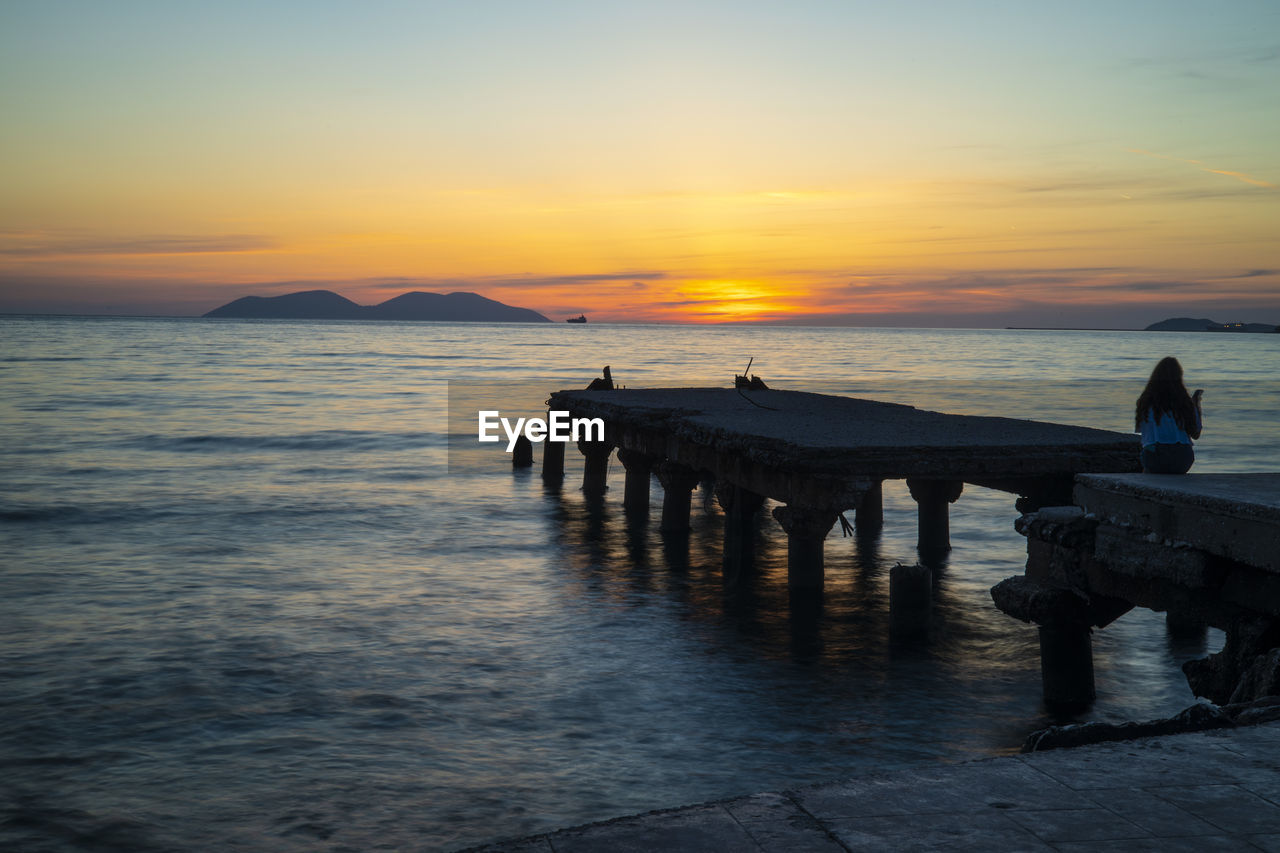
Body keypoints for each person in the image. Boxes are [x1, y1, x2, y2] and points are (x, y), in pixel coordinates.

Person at [1134, 356, 1203, 474]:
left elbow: (1142, 430)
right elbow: (1196, 434)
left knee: (1149, 466)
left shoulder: (1145, 401)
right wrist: (1196, 404)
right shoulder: (1185, 403)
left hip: (1155, 455)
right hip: (1183, 458)